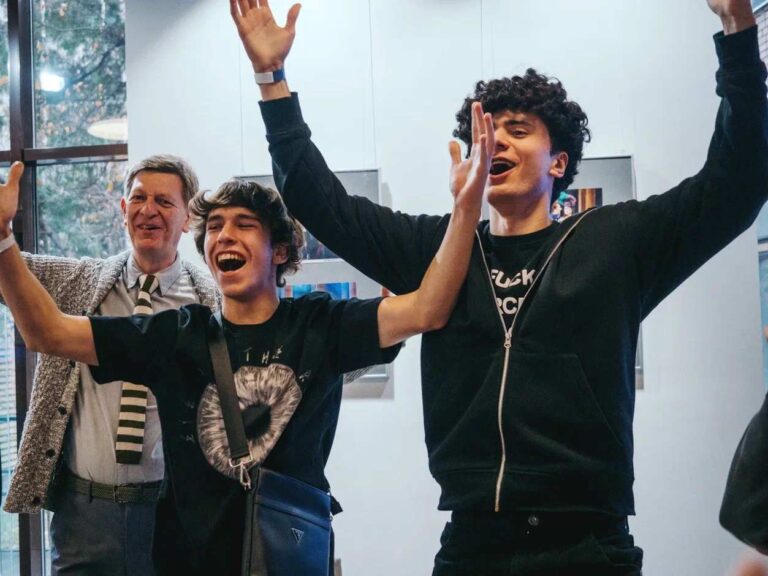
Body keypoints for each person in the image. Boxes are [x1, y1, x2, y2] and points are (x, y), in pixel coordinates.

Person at [232, 0, 768, 573]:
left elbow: (737, 182)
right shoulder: (439, 250)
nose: (498, 143)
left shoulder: (616, 242)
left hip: (586, 543)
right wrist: (272, 79)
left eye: (519, 130)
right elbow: (320, 202)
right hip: (472, 541)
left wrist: (737, 30)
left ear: (558, 162)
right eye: (486, 133)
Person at [0, 95, 492, 575]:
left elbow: (429, 307)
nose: (224, 236)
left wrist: (466, 209)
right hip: (187, 561)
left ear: (280, 251)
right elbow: (49, 333)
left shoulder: (321, 325)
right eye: (214, 227)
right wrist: (3, 239)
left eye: (244, 224)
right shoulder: (178, 334)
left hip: (287, 554)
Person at [1, 155, 218, 576]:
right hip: (84, 516)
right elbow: (8, 271)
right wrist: (1, 231)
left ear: (188, 218)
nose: (148, 210)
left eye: (163, 201)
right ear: (122, 210)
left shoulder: (213, 304)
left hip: (173, 516)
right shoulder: (78, 282)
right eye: (138, 198)